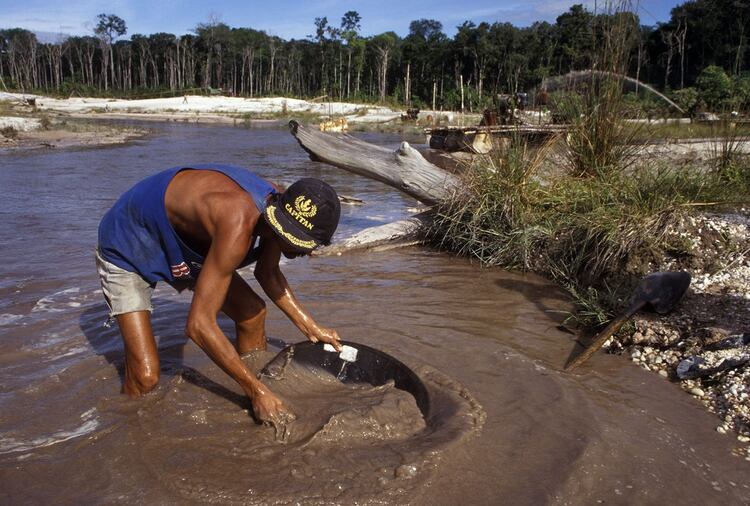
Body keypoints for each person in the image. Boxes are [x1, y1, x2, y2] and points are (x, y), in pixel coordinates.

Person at [95, 164, 342, 424]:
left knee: (251, 313)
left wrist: (313, 328)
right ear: (280, 223)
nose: (306, 253)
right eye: (300, 244)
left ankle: (257, 395)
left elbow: (267, 273)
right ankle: (129, 430)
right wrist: (256, 392)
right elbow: (199, 326)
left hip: (190, 241)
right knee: (145, 377)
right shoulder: (238, 222)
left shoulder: (280, 210)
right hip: (130, 239)